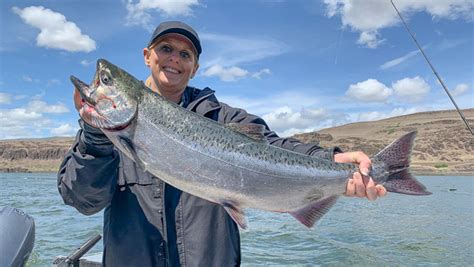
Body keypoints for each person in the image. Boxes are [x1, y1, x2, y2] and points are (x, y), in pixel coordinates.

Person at [58, 21, 387, 266]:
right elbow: (82, 200)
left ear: (195, 67)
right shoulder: (103, 133)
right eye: (166, 49)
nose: (174, 58)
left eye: (184, 54)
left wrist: (333, 159)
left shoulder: (225, 118)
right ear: (147, 56)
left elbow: (277, 147)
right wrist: (96, 135)